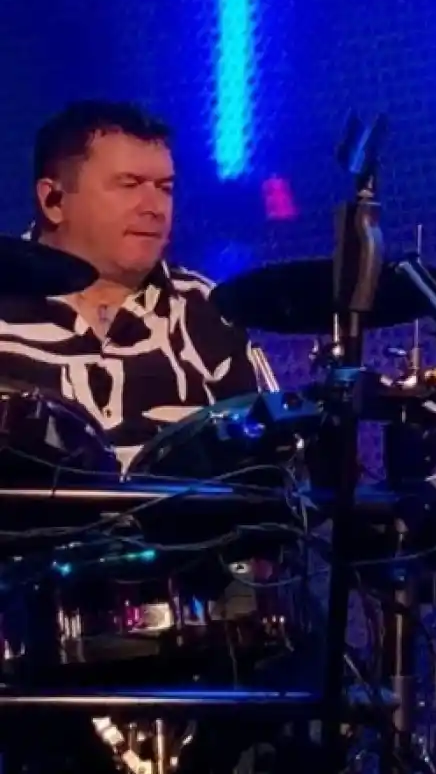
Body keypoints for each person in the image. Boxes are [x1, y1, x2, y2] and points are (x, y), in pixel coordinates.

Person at [0, 101, 285, 774]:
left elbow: (275, 465)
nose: (154, 205)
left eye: (165, 187)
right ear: (53, 198)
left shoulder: (206, 314)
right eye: (128, 185)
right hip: (23, 633)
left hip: (200, 636)